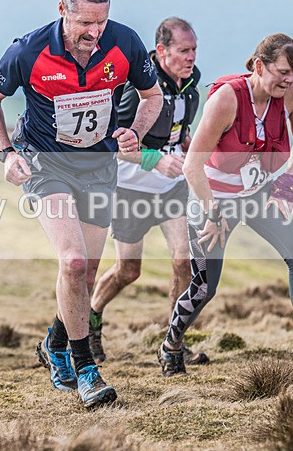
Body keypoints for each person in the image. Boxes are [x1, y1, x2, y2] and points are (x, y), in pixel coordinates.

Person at [0, 0, 163, 408]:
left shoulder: (126, 43)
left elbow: (152, 96)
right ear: (62, 11)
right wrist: (6, 153)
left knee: (87, 273)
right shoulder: (28, 51)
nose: (94, 33)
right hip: (46, 163)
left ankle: (54, 343)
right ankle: (85, 370)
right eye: (84, 23)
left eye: (101, 22)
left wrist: (134, 132)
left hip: (98, 166)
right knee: (73, 260)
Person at [157, 33, 293, 376]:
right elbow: (192, 166)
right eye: (282, 71)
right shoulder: (226, 100)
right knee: (206, 286)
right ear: (259, 66)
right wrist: (213, 214)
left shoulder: (291, 94)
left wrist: (288, 181)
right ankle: (171, 345)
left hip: (261, 193)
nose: (289, 79)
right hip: (211, 198)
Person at [88, 18, 209, 366]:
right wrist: (154, 160)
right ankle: (93, 319)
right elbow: (111, 144)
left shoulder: (190, 87)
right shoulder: (137, 89)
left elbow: (178, 132)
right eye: (184, 51)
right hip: (129, 189)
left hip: (172, 188)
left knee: (184, 260)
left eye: (195, 49)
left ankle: (174, 343)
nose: (191, 57)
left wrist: (186, 145)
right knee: (128, 271)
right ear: (161, 51)